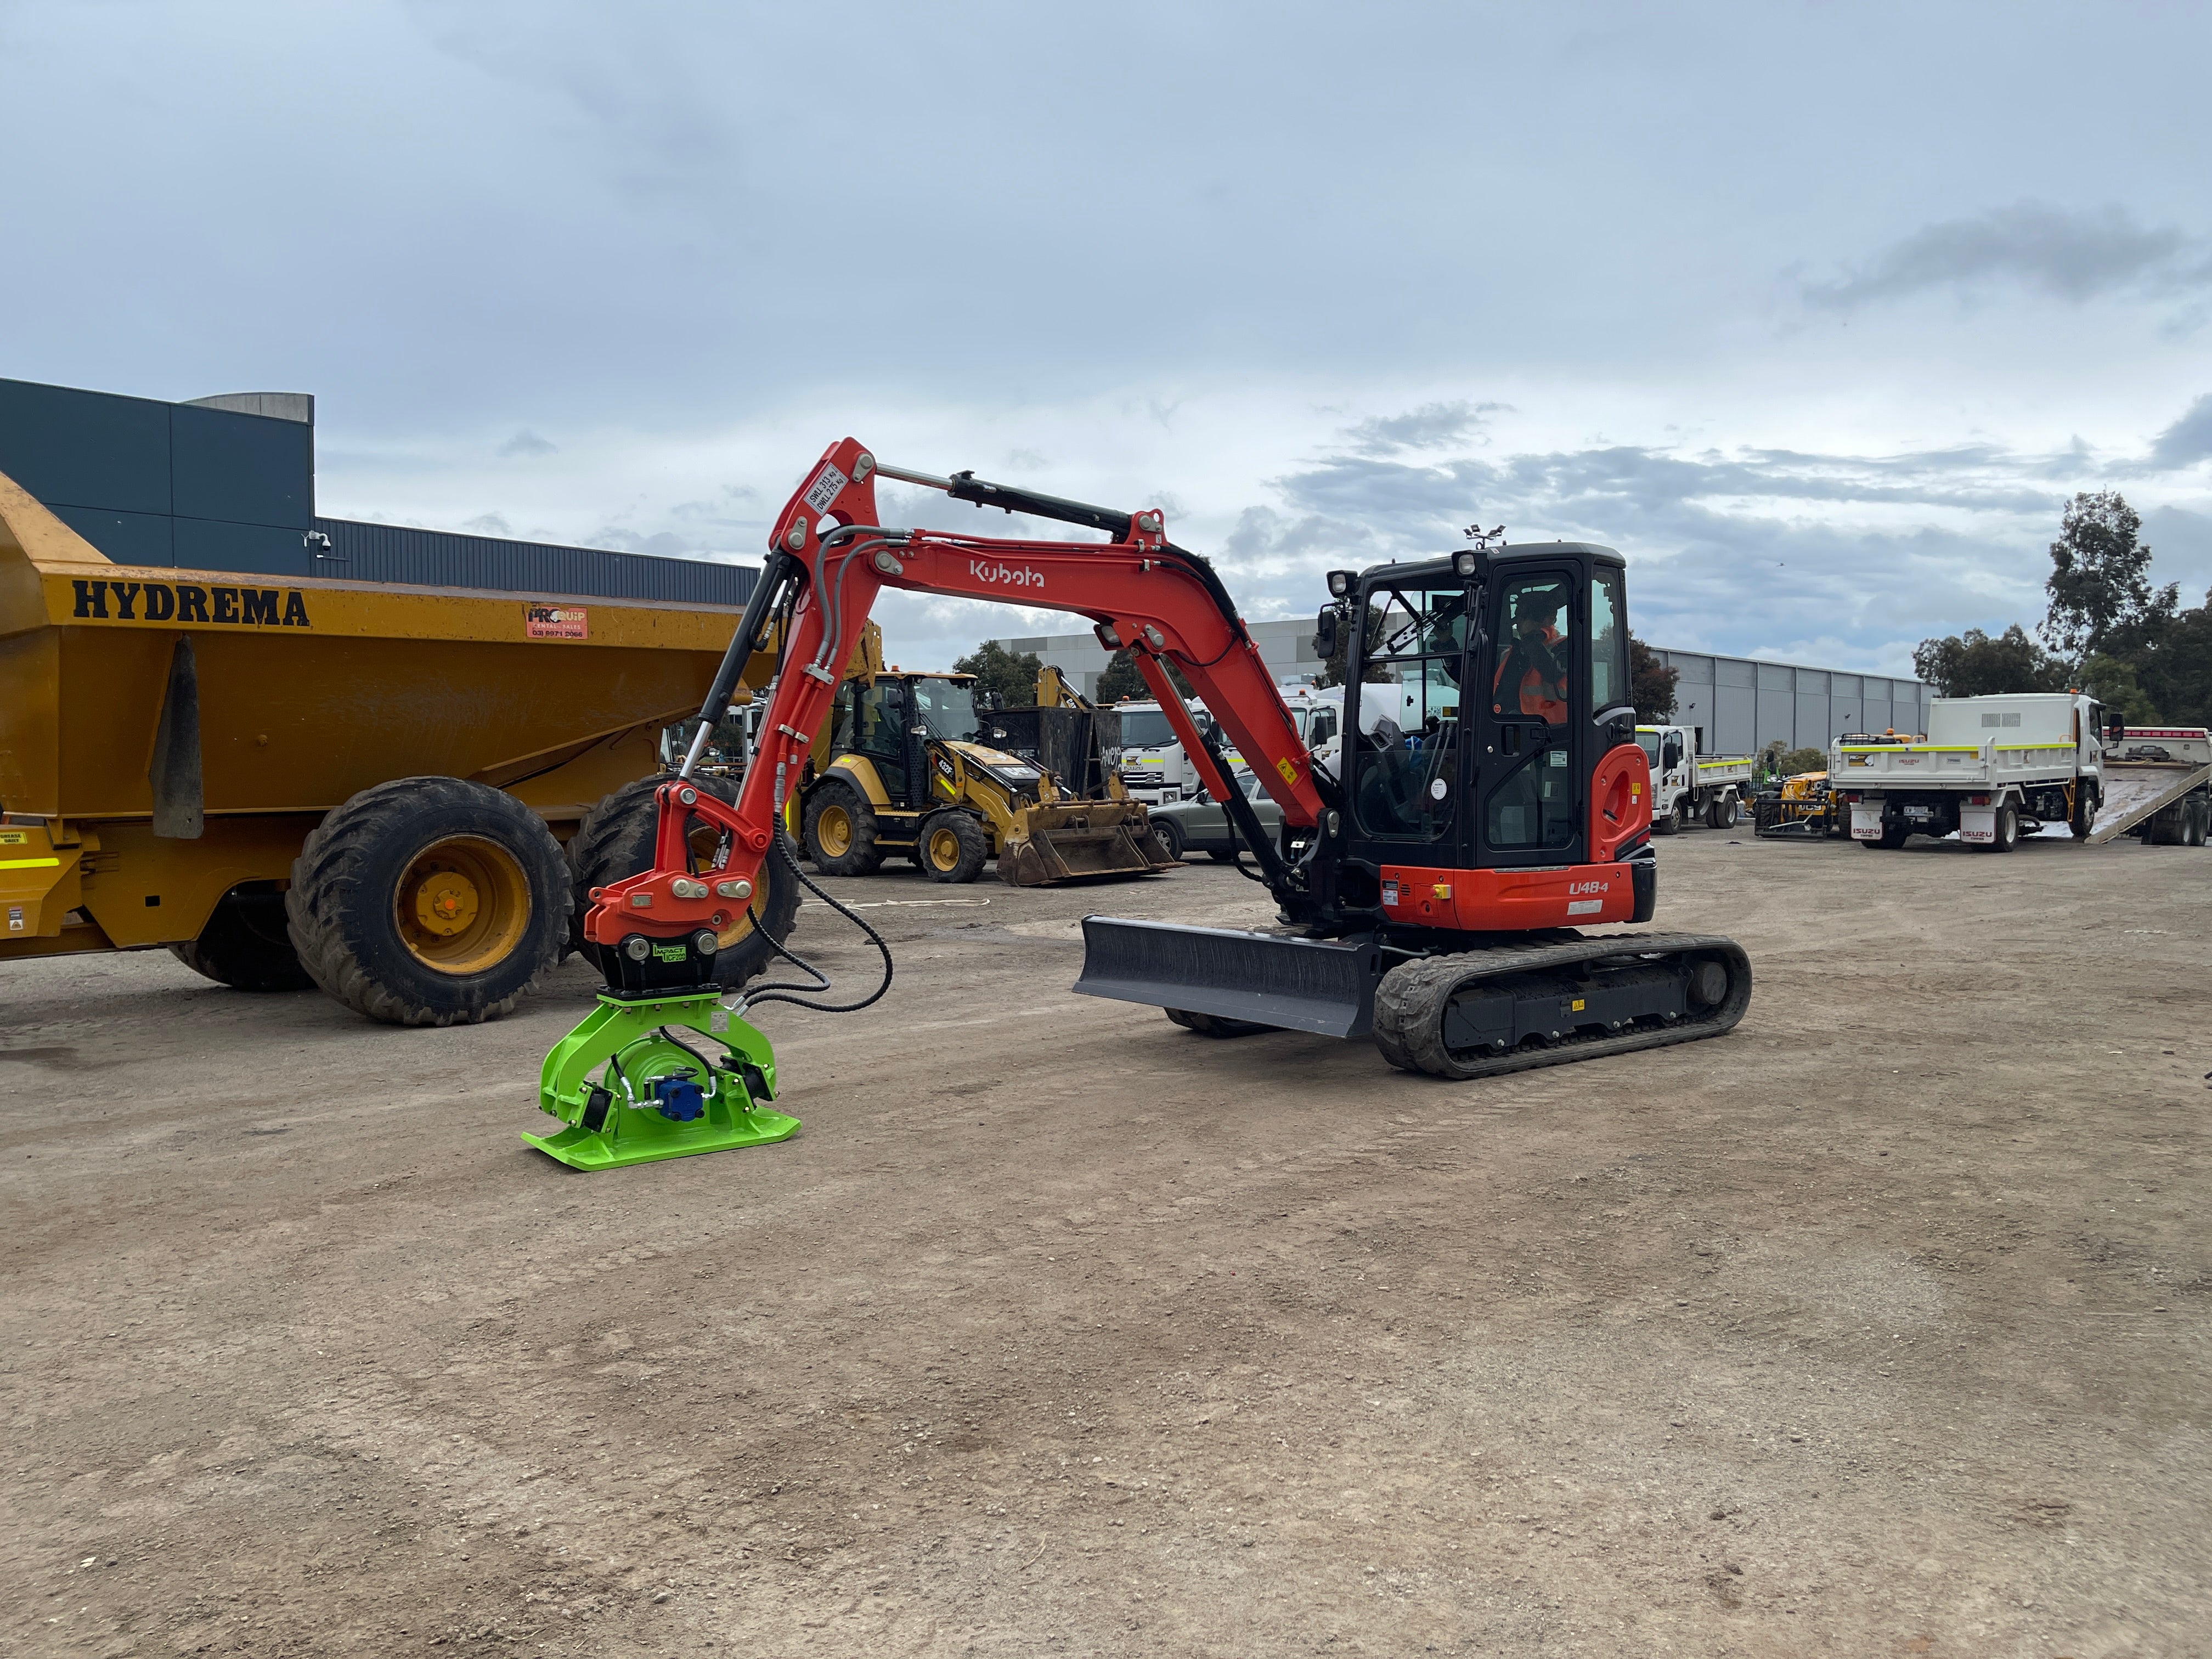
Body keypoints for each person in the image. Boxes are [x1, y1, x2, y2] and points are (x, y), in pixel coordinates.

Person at [1494, 593, 1570, 724]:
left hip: (1554, 734)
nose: (1518, 622)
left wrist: (1530, 637)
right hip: (1513, 728)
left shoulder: (1565, 647)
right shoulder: (1511, 653)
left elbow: (1553, 673)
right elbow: (1476, 678)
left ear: (1548, 619)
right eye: (1518, 616)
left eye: (1523, 617)